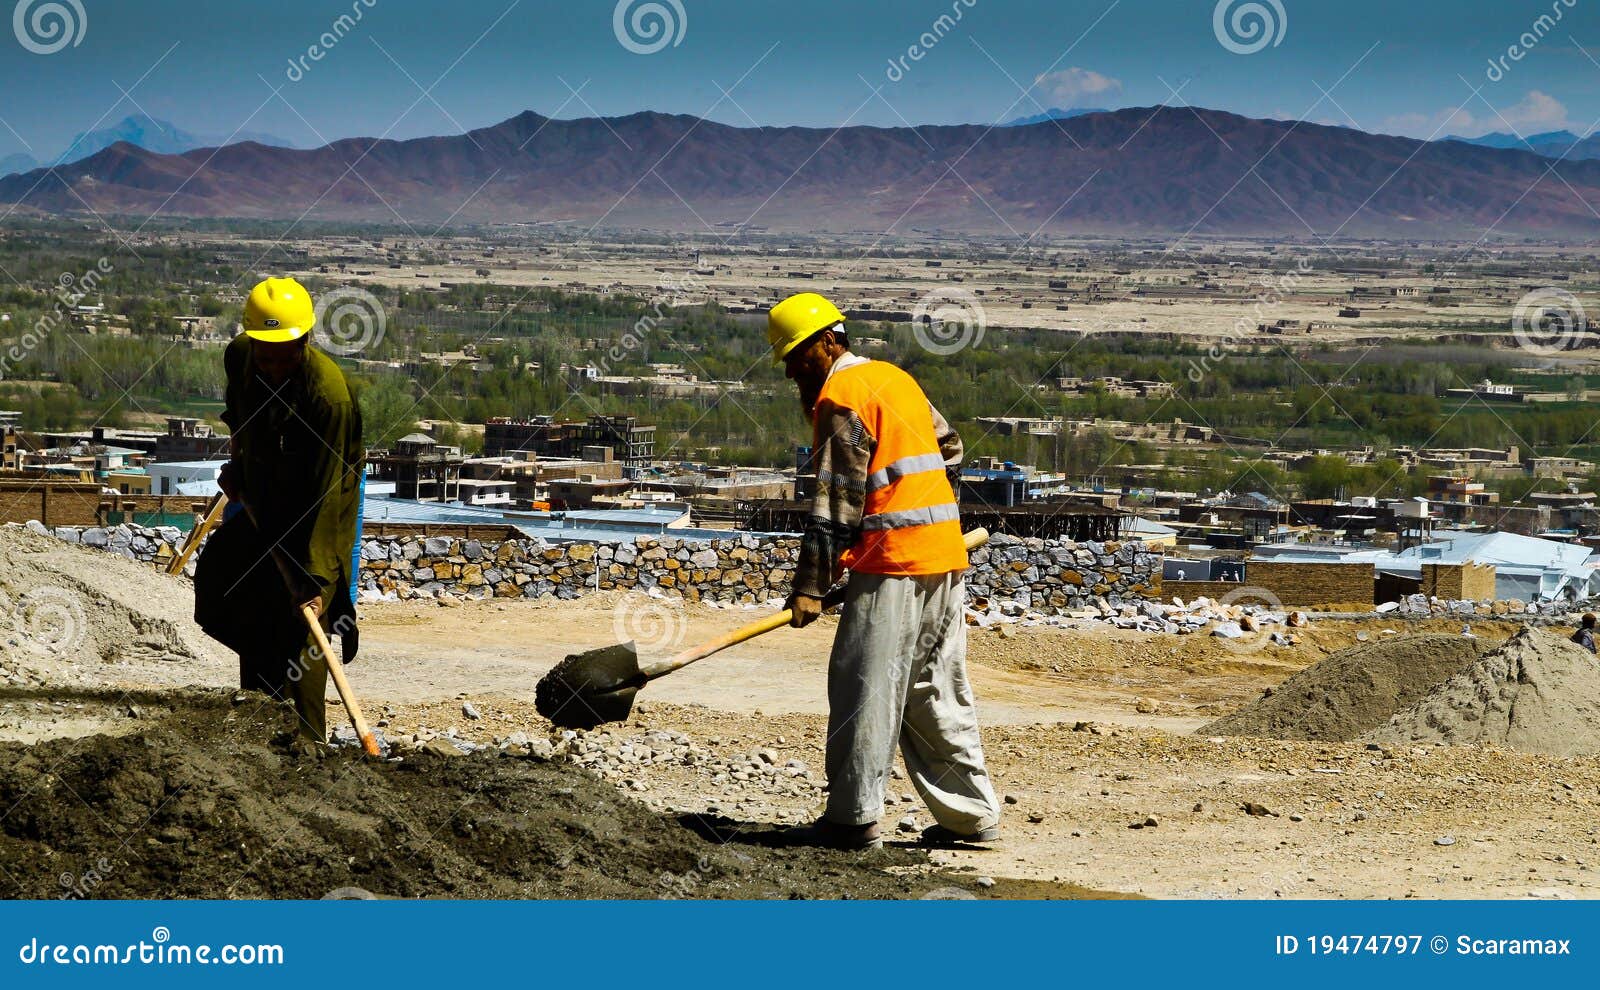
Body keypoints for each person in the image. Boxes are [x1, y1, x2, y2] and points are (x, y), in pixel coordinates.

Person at [768, 291, 1002, 850]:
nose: (795, 372)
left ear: (829, 342)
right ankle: (971, 818)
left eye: (799, 357)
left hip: (894, 565)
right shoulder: (895, 378)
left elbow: (836, 502)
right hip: (943, 556)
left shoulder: (842, 396)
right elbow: (950, 448)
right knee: (932, 689)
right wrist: (920, 511)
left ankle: (850, 821)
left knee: (864, 688)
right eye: (789, 363)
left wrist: (809, 586)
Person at [194, 277, 365, 746]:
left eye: (283, 354)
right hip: (263, 488)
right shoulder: (240, 356)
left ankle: (307, 742)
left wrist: (312, 580)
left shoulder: (328, 396)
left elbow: (326, 491)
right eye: (264, 353)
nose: (271, 365)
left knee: (305, 624)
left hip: (322, 499)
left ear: (305, 339)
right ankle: (261, 710)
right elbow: (240, 417)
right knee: (229, 592)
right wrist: (238, 468)